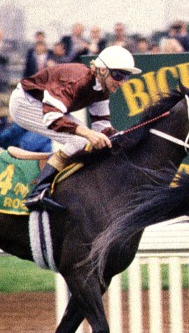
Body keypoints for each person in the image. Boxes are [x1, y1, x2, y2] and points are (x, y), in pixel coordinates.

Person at [9, 45, 141, 211]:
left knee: (87, 140)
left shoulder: (102, 89)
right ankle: (38, 192)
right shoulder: (78, 80)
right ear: (101, 70)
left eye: (126, 77)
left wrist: (120, 137)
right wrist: (88, 134)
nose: (121, 82)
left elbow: (103, 127)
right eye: (117, 75)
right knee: (80, 141)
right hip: (25, 103)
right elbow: (53, 117)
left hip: (43, 106)